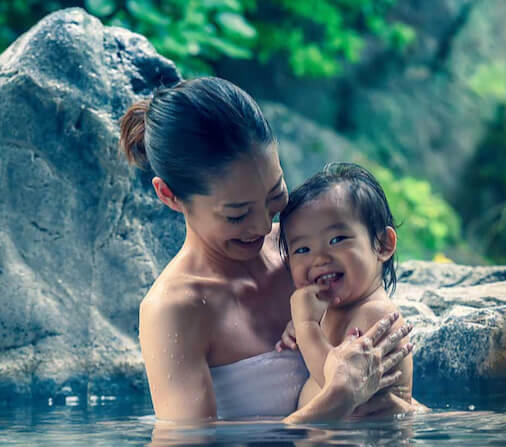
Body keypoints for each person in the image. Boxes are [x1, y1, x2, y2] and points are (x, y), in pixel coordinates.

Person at [118, 76, 413, 422]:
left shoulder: (305, 255)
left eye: (275, 194)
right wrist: (339, 398)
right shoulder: (175, 310)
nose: (262, 227)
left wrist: (397, 408)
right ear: (169, 196)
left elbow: (388, 398)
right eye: (237, 214)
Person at [278, 163, 414, 417]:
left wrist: (307, 327)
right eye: (302, 249)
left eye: (336, 240)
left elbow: (342, 387)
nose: (319, 258)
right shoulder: (336, 309)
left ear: (383, 244)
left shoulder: (376, 315)